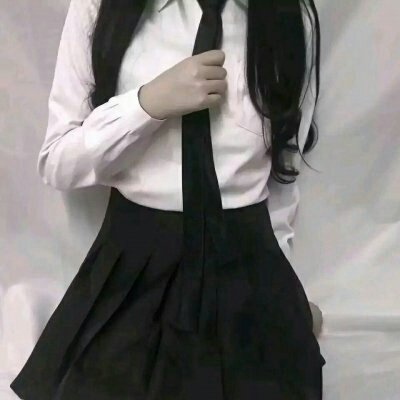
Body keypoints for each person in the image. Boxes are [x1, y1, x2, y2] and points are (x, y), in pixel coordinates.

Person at [10, 0, 326, 398]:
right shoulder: (101, 7)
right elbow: (58, 162)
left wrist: (282, 298)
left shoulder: (287, 15)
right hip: (134, 268)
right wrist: (145, 105)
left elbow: (282, 168)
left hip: (247, 262)